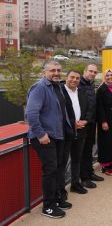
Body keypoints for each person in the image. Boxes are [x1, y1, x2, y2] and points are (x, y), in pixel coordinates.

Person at [26, 60, 72, 218]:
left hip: (58, 135)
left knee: (58, 168)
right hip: (45, 137)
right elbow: (31, 114)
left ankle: (57, 199)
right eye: (52, 70)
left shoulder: (57, 86)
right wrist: (40, 134)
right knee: (50, 171)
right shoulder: (39, 88)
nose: (57, 73)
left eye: (59, 70)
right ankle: (48, 206)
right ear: (44, 72)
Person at [60, 70, 94, 196]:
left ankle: (75, 183)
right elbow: (60, 112)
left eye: (77, 78)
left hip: (81, 131)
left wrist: (85, 121)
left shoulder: (82, 92)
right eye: (72, 77)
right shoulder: (60, 92)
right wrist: (73, 122)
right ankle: (61, 189)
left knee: (76, 159)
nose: (74, 80)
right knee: (63, 162)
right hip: (66, 132)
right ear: (66, 77)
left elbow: (89, 109)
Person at [79, 64, 104, 189]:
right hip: (82, 124)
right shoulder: (79, 84)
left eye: (95, 72)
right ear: (85, 71)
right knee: (82, 152)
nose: (93, 74)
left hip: (91, 123)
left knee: (89, 149)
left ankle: (89, 173)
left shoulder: (90, 85)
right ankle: (83, 178)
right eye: (90, 71)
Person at [96, 69, 112, 175]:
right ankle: (104, 166)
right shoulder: (101, 90)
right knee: (105, 143)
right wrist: (103, 121)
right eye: (107, 75)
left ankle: (111, 163)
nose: (110, 77)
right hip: (105, 120)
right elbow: (99, 107)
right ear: (104, 77)